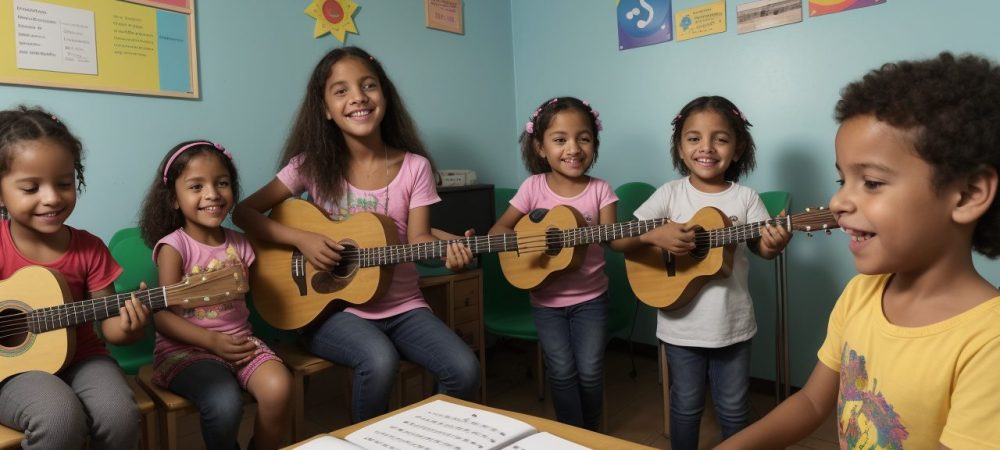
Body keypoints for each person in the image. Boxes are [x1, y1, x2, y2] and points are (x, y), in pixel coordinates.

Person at [718, 52, 1000, 449]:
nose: (837, 202)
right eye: (842, 180)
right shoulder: (861, 294)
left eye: (871, 182)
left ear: (968, 194)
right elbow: (812, 401)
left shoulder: (988, 342)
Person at [232, 46, 480, 424]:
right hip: (330, 310)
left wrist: (449, 250)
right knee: (378, 359)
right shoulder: (310, 165)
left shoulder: (415, 167)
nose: (358, 97)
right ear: (325, 109)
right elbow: (244, 212)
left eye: (368, 85)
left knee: (464, 370)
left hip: (404, 307)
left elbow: (418, 239)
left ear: (385, 96)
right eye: (341, 90)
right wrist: (301, 239)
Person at [616, 95, 792, 449]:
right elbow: (621, 240)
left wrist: (774, 244)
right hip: (680, 326)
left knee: (734, 408)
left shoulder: (745, 198)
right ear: (680, 148)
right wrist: (654, 235)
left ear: (738, 149)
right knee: (685, 405)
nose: (706, 148)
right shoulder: (670, 194)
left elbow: (762, 249)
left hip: (732, 325)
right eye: (694, 138)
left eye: (720, 139)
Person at [0, 106, 148, 449]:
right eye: (31, 188)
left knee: (119, 414)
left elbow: (109, 326)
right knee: (59, 418)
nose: (52, 198)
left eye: (64, 184)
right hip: (12, 372)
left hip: (83, 358)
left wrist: (129, 328)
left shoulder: (89, 248)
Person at [139, 140, 292, 450]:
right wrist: (212, 341)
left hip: (239, 344)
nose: (212, 194)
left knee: (279, 387)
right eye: (196, 186)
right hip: (186, 352)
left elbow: (272, 283)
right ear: (173, 199)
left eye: (221, 183)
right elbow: (163, 317)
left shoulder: (242, 243)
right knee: (224, 401)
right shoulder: (174, 247)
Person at [489, 96, 623, 431]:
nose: (573, 149)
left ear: (594, 144)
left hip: (591, 299)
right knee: (561, 370)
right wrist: (530, 242)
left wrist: (650, 234)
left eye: (584, 138)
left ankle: (590, 433)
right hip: (546, 302)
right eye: (560, 140)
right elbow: (499, 230)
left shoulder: (601, 190)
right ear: (540, 147)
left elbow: (613, 239)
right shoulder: (532, 187)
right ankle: (569, 433)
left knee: (590, 370)